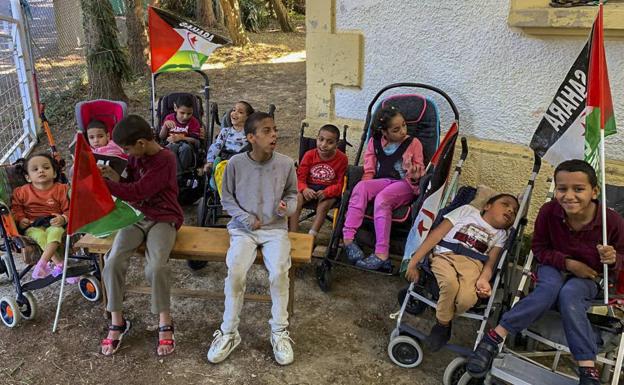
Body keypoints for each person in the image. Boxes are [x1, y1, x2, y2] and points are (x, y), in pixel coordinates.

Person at [466, 160, 624, 385]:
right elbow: (539, 248)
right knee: (548, 289)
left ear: (594, 192)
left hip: (588, 277)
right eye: (562, 189)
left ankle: (587, 369)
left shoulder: (612, 222)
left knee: (570, 296)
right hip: (554, 266)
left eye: (578, 189)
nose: (569, 195)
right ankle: (494, 337)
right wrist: (568, 263)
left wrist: (614, 258)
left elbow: (623, 258)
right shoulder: (549, 212)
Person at [207, 112, 298, 366]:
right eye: (267, 131)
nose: (274, 135)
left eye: (275, 130)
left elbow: (293, 194)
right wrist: (246, 218)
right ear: (251, 137)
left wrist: (286, 209)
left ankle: (279, 331)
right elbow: (227, 199)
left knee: (279, 272)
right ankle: (229, 331)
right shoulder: (235, 163)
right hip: (242, 229)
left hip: (274, 228)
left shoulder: (286, 163)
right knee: (236, 271)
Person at [98, 114, 183, 357]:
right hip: (136, 217)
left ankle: (164, 320)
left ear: (142, 143)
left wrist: (109, 185)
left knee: (156, 266)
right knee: (113, 260)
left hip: (163, 218)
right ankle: (117, 320)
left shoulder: (165, 159)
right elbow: (132, 183)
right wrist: (115, 177)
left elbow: (139, 190)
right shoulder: (138, 156)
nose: (126, 153)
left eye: (127, 148)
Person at [405, 193, 519, 351]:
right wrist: (413, 262)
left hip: (473, 267)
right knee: (450, 284)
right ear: (487, 206)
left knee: (467, 299)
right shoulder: (466, 211)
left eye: (514, 211)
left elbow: (490, 264)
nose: (510, 210)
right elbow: (436, 234)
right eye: (505, 204)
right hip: (445, 256)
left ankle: (444, 312)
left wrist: (484, 280)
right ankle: (442, 325)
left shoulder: (501, 235)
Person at [342, 106, 424, 271]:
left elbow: (420, 171)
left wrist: (413, 172)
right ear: (384, 132)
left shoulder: (413, 143)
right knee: (360, 187)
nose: (402, 131)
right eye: (396, 129)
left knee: (383, 199)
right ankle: (348, 239)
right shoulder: (375, 142)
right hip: (383, 180)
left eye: (404, 126)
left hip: (405, 185)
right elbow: (369, 169)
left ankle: (381, 253)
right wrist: (366, 189)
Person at [11, 153, 69, 280]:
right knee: (41, 236)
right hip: (33, 226)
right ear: (28, 177)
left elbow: (70, 209)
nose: (41, 170)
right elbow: (16, 209)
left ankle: (42, 264)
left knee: (56, 231)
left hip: (53, 223)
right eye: (35, 169)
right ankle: (60, 265)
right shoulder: (21, 192)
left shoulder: (62, 189)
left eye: (46, 168)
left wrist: (63, 218)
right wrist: (20, 219)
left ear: (54, 173)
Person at [288, 124, 348, 237]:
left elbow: (340, 184)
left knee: (324, 205)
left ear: (337, 144)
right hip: (309, 187)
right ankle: (293, 234)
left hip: (329, 190)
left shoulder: (342, 159)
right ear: (317, 138)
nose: (324, 145)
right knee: (296, 199)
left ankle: (312, 235)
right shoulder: (309, 155)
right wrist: (304, 189)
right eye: (321, 140)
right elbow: (300, 178)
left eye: (330, 142)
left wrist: (327, 192)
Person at [204, 101, 254, 196]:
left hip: (242, 160)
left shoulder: (250, 133)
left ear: (248, 118)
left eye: (240, 112)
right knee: (218, 165)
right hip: (225, 160)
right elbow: (216, 146)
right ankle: (224, 193)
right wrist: (210, 161)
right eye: (234, 110)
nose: (234, 113)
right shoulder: (225, 131)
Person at [159, 94, 202, 176]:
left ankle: (177, 174)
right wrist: (165, 126)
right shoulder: (169, 118)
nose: (185, 116)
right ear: (175, 108)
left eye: (189, 113)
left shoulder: (194, 122)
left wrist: (181, 138)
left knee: (185, 149)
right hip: (170, 143)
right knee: (171, 148)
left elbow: (196, 141)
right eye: (182, 113)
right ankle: (179, 174)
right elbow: (161, 137)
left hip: (186, 144)